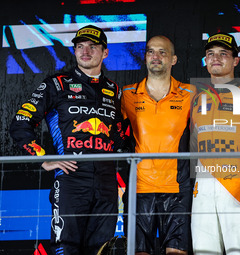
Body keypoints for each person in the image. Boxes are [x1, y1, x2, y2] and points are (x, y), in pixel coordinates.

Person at [10, 25, 127, 255]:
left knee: (101, 250)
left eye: (92, 47)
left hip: (106, 182)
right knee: (66, 249)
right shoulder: (57, 84)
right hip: (71, 179)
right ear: (74, 51)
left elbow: (122, 134)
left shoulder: (114, 91)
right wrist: (43, 159)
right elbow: (21, 122)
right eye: (80, 46)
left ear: (105, 53)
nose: (85, 51)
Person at [190, 32, 240, 254]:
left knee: (238, 251)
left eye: (223, 54)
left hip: (238, 186)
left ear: (236, 60)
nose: (216, 58)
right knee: (203, 250)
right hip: (202, 185)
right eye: (210, 54)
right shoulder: (195, 97)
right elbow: (192, 143)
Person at [121, 35, 193, 255]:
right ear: (145, 58)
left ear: (173, 59)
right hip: (139, 188)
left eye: (162, 52)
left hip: (177, 189)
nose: (156, 56)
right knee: (139, 252)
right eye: (151, 51)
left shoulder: (191, 93)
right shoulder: (127, 94)